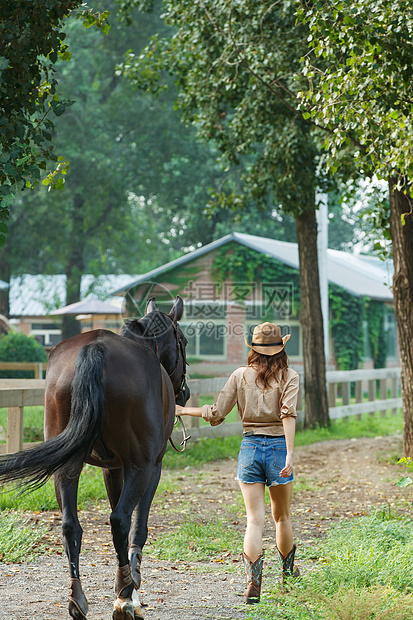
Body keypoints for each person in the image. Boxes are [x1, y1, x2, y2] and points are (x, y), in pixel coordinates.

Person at [175, 322, 300, 604]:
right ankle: (288, 576)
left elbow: (216, 413)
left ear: (253, 349)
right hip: (280, 447)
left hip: (250, 448)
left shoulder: (240, 375)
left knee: (254, 520)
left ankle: (252, 585)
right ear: (281, 348)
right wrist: (290, 454)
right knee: (282, 517)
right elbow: (288, 414)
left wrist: (183, 409)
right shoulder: (290, 376)